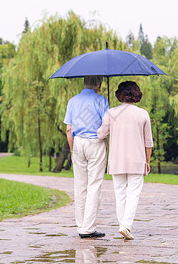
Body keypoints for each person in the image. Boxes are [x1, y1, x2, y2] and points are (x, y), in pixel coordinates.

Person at [97, 81, 153, 240]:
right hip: (137, 160)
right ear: (136, 94)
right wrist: (147, 161)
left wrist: (105, 119)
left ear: (120, 94)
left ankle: (123, 224)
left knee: (120, 194)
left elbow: (101, 134)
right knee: (133, 194)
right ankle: (125, 225)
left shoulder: (111, 113)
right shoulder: (143, 114)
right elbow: (148, 142)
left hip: (117, 161)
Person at [64, 75, 109, 238]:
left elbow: (69, 129)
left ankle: (81, 225)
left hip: (78, 143)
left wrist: (72, 150)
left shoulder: (72, 101)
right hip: (95, 142)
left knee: (80, 185)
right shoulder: (102, 100)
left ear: (84, 83)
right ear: (99, 84)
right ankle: (88, 228)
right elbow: (106, 125)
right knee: (94, 185)